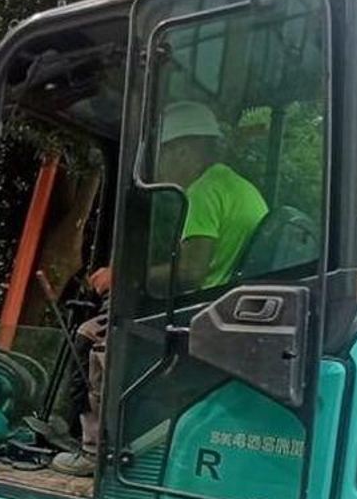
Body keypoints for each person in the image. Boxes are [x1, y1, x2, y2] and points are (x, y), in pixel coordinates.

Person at [50, 100, 268, 477]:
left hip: (197, 312)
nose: (162, 167)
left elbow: (190, 273)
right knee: (98, 330)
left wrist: (120, 276)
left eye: (164, 155)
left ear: (185, 148)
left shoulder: (203, 191)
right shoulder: (242, 189)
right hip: (221, 309)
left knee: (98, 340)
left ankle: (93, 450)